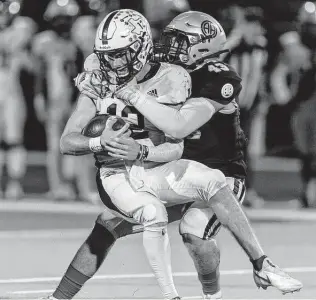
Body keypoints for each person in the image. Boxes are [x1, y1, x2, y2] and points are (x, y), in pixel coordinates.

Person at [43, 10, 302, 300]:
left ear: (201, 48)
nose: (167, 47)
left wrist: (131, 98)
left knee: (194, 229)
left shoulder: (217, 78)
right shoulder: (157, 69)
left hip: (220, 170)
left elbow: (179, 126)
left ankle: (246, 273)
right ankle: (58, 297)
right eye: (168, 39)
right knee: (107, 225)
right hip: (168, 168)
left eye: (178, 41)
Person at [0, 0, 37, 199]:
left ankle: (15, 183)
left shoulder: (21, 27)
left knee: (14, 140)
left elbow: (22, 37)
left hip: (11, 90)